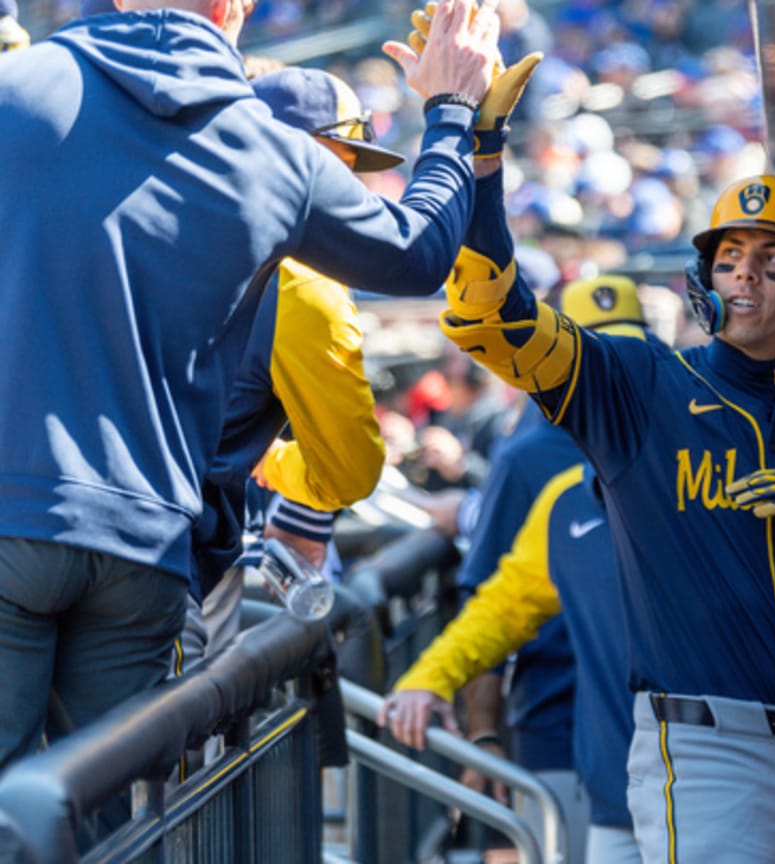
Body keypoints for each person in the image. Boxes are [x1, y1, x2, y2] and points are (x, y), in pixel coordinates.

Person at [388, 169, 775, 862]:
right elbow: (501, 319)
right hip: (709, 751)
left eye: (772, 264)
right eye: (728, 260)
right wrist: (481, 169)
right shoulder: (642, 386)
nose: (744, 278)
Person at [0, 0, 508, 771]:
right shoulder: (270, 149)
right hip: (150, 546)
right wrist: (451, 111)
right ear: (235, 8)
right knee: (107, 825)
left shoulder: (16, 86)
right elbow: (419, 252)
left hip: (15, 507)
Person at [182, 67, 406, 673]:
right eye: (337, 162)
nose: (354, 188)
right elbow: (349, 474)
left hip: (41, 526)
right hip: (159, 561)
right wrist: (275, 462)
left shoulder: (161, 223)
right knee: (145, 758)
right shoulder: (302, 282)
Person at [446, 275, 654, 864]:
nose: (612, 367)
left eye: (627, 349)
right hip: (555, 725)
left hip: (669, 729)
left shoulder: (666, 436)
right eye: (595, 350)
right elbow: (484, 596)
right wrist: (484, 736)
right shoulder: (527, 456)